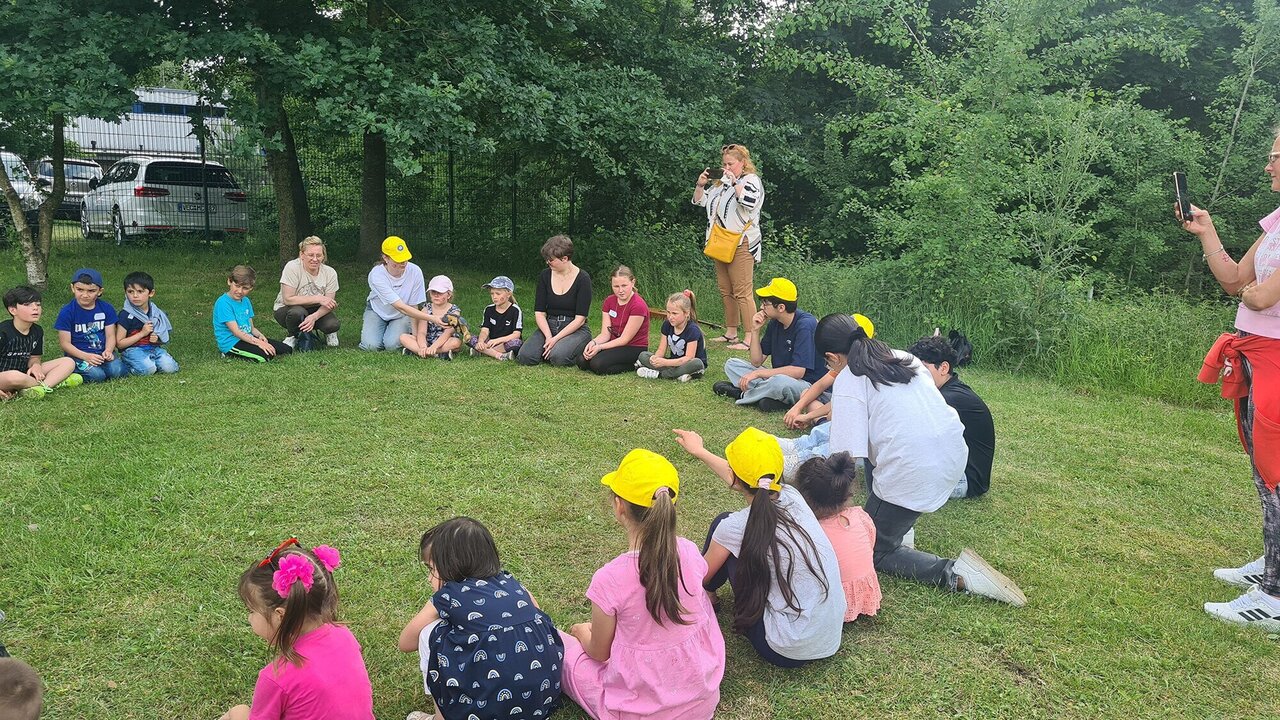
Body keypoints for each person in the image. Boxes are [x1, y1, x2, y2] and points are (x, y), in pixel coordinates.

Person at [819, 313, 1026, 605]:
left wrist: (826, 514)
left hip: (916, 468)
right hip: (952, 457)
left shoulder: (850, 380)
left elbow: (844, 461)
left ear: (832, 357)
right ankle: (897, 526)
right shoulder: (904, 357)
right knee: (879, 471)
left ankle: (954, 573)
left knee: (875, 551)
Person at [1187, 128, 1280, 631]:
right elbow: (1237, 281)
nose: (1269, 166)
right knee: (1264, 470)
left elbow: (1261, 298)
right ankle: (1272, 566)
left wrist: (1250, 292)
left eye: (1276, 158)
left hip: (1278, 356)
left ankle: (1275, 596)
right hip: (1254, 354)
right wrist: (1208, 233)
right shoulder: (1276, 223)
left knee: (1277, 471)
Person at [560, 449, 725, 720]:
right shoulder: (690, 552)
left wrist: (580, 631)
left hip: (640, 712)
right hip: (702, 702)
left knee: (562, 648)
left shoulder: (610, 579)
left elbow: (599, 652)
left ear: (619, 506)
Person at [673, 426, 844, 667]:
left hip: (783, 649)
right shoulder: (792, 495)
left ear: (734, 477)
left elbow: (699, 576)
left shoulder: (734, 527)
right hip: (828, 638)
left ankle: (709, 597)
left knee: (722, 523)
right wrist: (700, 452)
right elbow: (749, 481)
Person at [398, 517, 563, 720]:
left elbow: (405, 642)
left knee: (428, 633)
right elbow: (540, 620)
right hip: (539, 706)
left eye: (432, 569)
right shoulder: (515, 585)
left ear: (452, 565)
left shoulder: (447, 596)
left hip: (479, 712)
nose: (429, 578)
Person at [219, 540, 374, 720]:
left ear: (280, 616)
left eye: (252, 611)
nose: (249, 618)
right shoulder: (343, 634)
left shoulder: (276, 678)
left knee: (237, 712)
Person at [792, 453, 882, 622]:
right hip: (863, 592)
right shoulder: (861, 517)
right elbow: (870, 544)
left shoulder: (811, 532)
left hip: (832, 600)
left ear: (803, 497)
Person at [693, 143, 764, 351]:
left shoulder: (751, 181)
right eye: (723, 164)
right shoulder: (719, 184)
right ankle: (731, 331)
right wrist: (701, 185)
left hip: (742, 242)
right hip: (720, 242)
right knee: (726, 289)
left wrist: (734, 183)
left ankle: (751, 337)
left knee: (743, 291)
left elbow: (749, 203)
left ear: (743, 163)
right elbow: (701, 202)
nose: (726, 167)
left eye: (730, 164)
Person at [712, 277, 823, 411]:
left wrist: (759, 375)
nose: (761, 307)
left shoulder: (805, 325)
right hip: (778, 377)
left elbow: (798, 371)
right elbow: (756, 361)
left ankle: (742, 394)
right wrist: (754, 330)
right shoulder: (775, 323)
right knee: (732, 364)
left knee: (779, 383)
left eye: (765, 303)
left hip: (806, 384)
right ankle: (771, 398)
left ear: (781, 307)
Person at [906, 334, 995, 499]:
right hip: (957, 470)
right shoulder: (948, 390)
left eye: (923, 369)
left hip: (967, 480)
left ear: (944, 368)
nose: (916, 375)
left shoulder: (949, 398)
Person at [517, 235, 593, 367]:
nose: (548, 262)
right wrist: (548, 337)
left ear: (565, 258)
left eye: (551, 260)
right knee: (525, 356)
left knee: (558, 358)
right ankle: (551, 349)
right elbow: (539, 312)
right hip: (549, 325)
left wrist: (556, 339)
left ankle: (572, 347)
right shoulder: (545, 275)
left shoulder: (583, 279)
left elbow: (580, 319)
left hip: (575, 328)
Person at [1, 286, 79, 399]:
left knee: (68, 362)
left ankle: (38, 389)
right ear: (13, 310)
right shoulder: (3, 331)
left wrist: (36, 365)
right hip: (6, 376)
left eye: (37, 304)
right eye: (27, 305)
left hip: (24, 372)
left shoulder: (37, 331)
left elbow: (34, 357)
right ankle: (52, 383)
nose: (35, 308)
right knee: (14, 376)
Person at [359, 236, 433, 352]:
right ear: (385, 258)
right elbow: (400, 306)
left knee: (392, 346)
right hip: (377, 310)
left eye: (405, 258)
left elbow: (413, 305)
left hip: (403, 315)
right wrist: (433, 318)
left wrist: (414, 336)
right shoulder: (376, 275)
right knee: (371, 346)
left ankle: (395, 333)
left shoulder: (415, 271)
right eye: (398, 260)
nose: (403, 262)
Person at [55, 267, 125, 383]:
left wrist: (108, 350)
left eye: (91, 291)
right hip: (79, 355)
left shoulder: (106, 308)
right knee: (97, 376)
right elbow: (65, 343)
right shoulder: (67, 312)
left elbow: (110, 335)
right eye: (80, 289)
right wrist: (86, 356)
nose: (85, 295)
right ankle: (73, 371)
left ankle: (102, 365)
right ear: (73, 288)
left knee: (117, 371)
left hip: (102, 353)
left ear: (100, 291)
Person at [578, 265, 650, 375]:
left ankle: (635, 364)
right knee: (582, 361)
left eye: (624, 286)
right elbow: (605, 334)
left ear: (633, 282)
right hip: (613, 343)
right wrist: (593, 343)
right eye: (616, 286)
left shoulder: (638, 305)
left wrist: (600, 347)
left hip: (633, 346)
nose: (620, 290)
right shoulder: (609, 301)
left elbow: (625, 339)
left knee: (597, 365)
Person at [213, 265, 293, 362]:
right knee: (264, 357)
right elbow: (236, 332)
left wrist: (260, 336)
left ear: (251, 288)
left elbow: (251, 328)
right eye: (237, 286)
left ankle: (256, 346)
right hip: (232, 342)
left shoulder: (246, 301)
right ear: (229, 281)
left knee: (287, 350)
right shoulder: (223, 303)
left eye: (245, 288)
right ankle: (227, 353)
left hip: (248, 336)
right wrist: (259, 343)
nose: (240, 291)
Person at [274, 236, 341, 350]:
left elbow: (329, 304)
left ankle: (329, 333)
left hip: (316, 309)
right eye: (310, 255)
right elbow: (288, 299)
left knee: (333, 324)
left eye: (318, 255)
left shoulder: (330, 273)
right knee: (297, 313)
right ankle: (293, 335)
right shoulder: (292, 267)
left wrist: (314, 317)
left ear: (323, 256)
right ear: (302, 255)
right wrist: (318, 298)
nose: (315, 259)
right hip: (288, 308)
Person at [116, 271, 180, 376]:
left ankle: (150, 363)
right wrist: (142, 333)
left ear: (151, 293)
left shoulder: (155, 313)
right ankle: (128, 366)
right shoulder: (125, 315)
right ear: (125, 292)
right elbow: (120, 343)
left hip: (154, 349)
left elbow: (162, 336)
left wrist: (158, 339)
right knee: (148, 369)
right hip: (132, 350)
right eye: (130, 292)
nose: (135, 296)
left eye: (140, 291)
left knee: (170, 368)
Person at [636, 290, 707, 382]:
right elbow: (661, 350)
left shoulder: (692, 330)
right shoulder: (667, 324)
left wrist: (665, 362)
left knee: (697, 363)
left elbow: (689, 357)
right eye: (668, 312)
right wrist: (656, 358)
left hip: (689, 364)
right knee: (643, 355)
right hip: (673, 362)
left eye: (674, 313)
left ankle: (660, 375)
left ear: (686, 313)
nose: (670, 317)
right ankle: (679, 375)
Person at [400, 275, 467, 360]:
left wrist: (435, 346)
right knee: (403, 337)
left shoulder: (454, 311)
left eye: (440, 292)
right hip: (427, 340)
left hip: (444, 341)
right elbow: (421, 332)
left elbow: (448, 333)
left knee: (456, 343)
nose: (436, 295)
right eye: (433, 292)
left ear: (449, 295)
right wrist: (423, 346)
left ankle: (417, 352)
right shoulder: (426, 309)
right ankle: (432, 353)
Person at [467, 276, 523, 360]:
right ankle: (500, 355)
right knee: (469, 337)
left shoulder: (515, 310)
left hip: (505, 342)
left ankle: (481, 351)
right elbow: (485, 330)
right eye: (492, 293)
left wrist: (497, 341)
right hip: (490, 341)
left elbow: (516, 334)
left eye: (498, 293)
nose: (494, 297)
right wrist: (481, 341)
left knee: (516, 343)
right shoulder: (488, 309)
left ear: (509, 294)